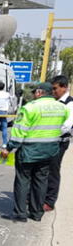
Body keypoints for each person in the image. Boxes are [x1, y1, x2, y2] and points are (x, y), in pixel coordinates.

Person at [1, 82, 70, 222]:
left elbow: (18, 133)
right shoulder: (63, 108)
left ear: (39, 93)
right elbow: (63, 128)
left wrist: (8, 148)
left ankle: (20, 214)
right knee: (41, 181)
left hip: (29, 151)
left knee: (22, 181)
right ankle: (37, 213)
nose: (32, 95)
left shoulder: (29, 108)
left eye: (34, 93)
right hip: (50, 152)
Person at [44, 75, 73, 211]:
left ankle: (50, 201)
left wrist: (49, 133)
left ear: (64, 87)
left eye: (55, 88)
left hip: (59, 142)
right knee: (43, 169)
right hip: (49, 141)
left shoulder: (70, 104)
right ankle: (40, 195)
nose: (53, 91)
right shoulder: (53, 102)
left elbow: (66, 126)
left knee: (53, 170)